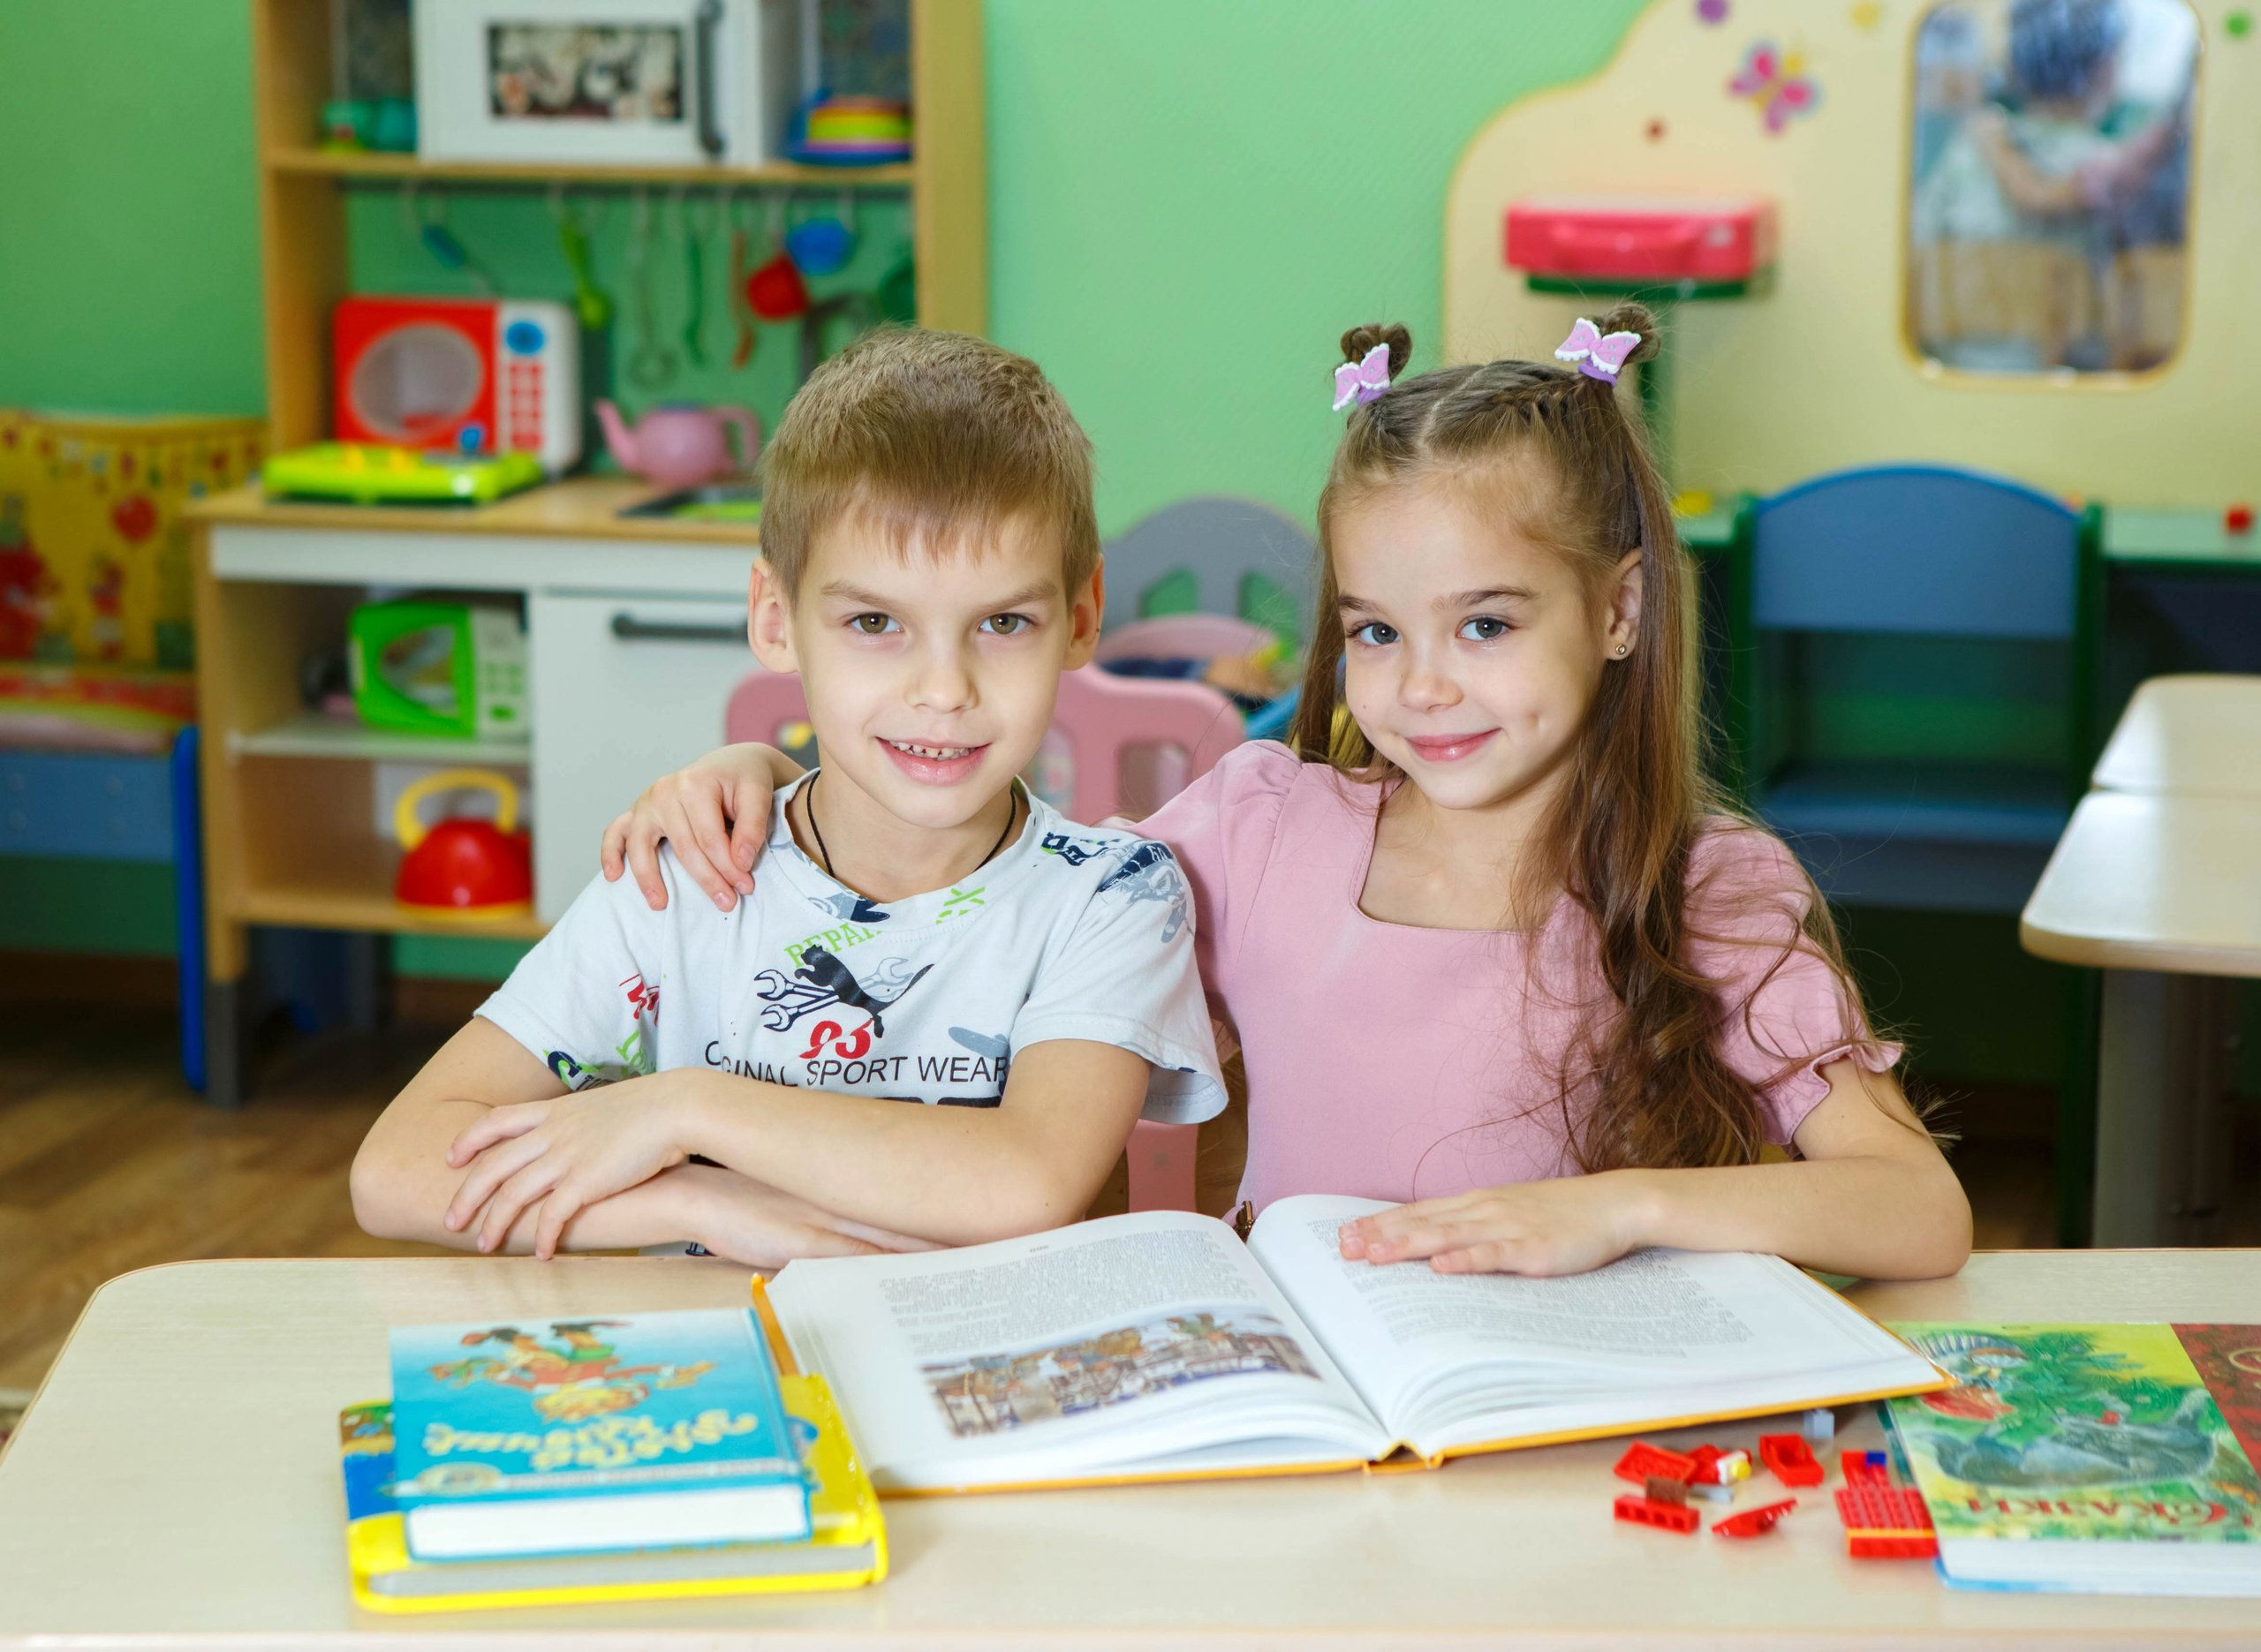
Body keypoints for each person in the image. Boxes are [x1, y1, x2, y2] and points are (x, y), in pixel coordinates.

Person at [599, 308, 1973, 1283]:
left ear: (1619, 609)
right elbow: (987, 871)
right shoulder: (1260, 828)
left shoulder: (1712, 883)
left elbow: (1919, 1211)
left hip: (1586, 1430)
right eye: (1376, 630)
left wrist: (1614, 1212)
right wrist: (777, 778)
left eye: (1487, 625)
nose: (1423, 686)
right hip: (1314, 1423)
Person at [351, 328, 1224, 1266]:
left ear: (1082, 616)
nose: (943, 688)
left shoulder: (1111, 895)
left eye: (1003, 621)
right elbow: (395, 1169)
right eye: (875, 621)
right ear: (776, 619)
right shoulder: (687, 870)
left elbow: (1026, 1183)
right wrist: (696, 1204)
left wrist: (682, 1105)